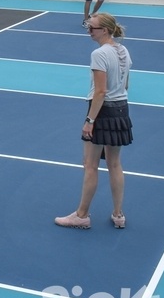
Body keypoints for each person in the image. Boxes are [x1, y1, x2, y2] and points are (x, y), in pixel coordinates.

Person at [55, 12, 133, 230]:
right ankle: (118, 215)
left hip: (102, 111)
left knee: (90, 165)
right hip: (121, 110)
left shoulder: (99, 54)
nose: (89, 31)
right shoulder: (123, 50)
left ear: (105, 30)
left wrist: (90, 120)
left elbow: (100, 92)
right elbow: (125, 84)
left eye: (92, 28)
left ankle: (81, 215)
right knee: (115, 164)